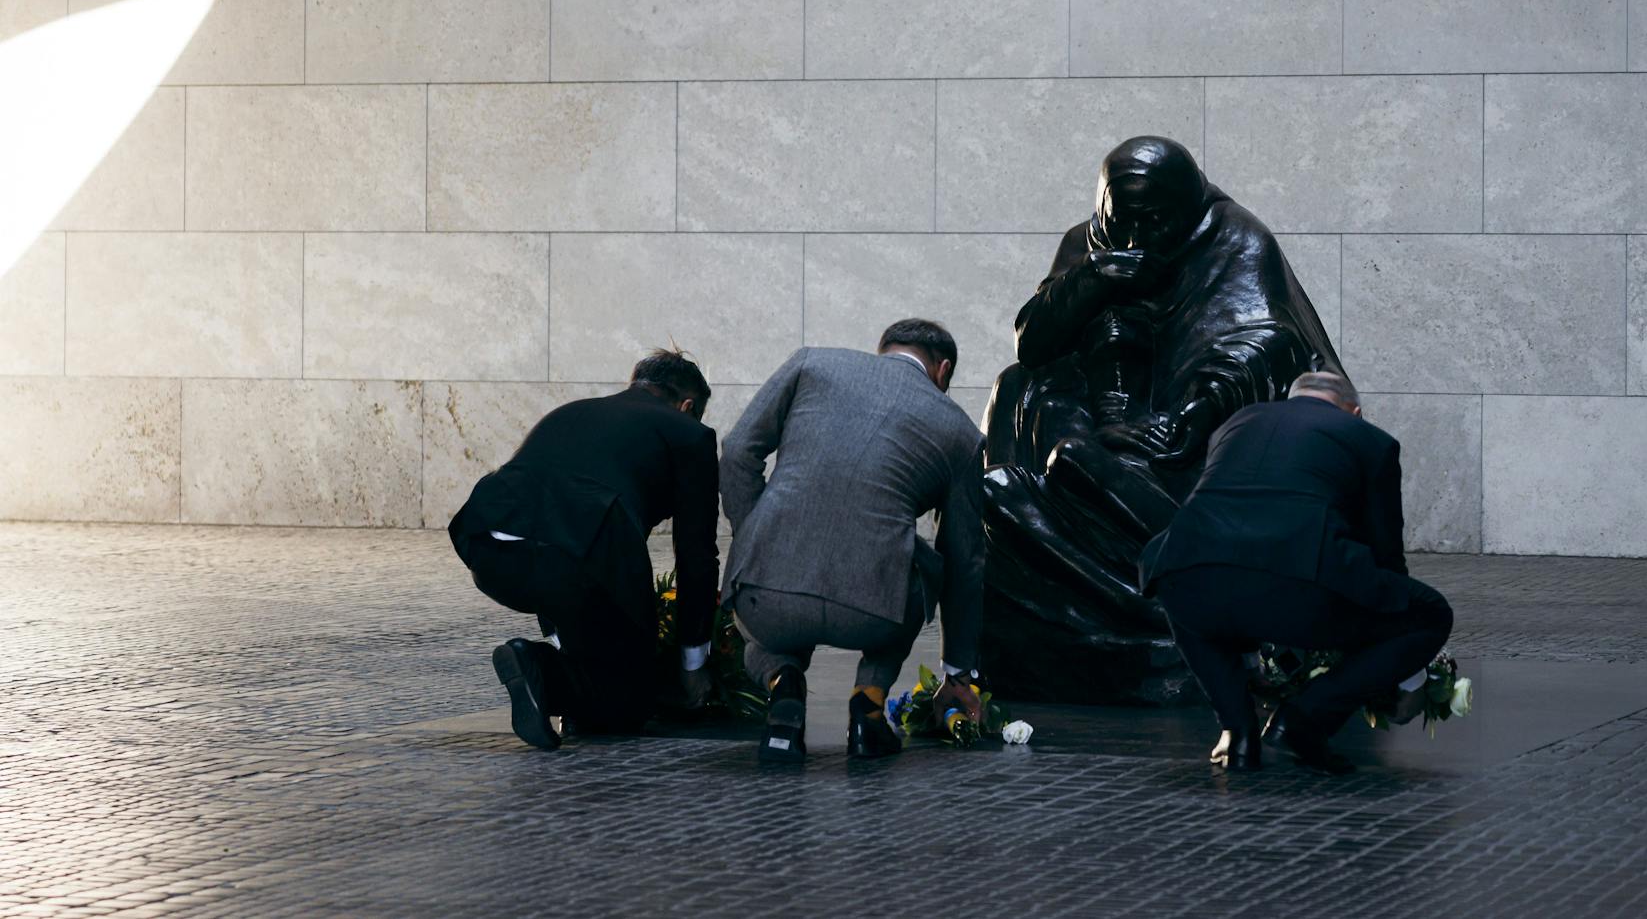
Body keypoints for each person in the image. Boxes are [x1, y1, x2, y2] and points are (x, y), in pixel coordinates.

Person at [981, 135, 1345, 703]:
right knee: (1020, 389)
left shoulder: (1236, 238)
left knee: (1091, 465)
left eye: (1151, 222)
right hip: (1102, 414)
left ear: (1183, 210)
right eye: (1118, 219)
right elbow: (1036, 343)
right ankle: (1048, 512)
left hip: (1189, 426)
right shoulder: (1088, 243)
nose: (1133, 238)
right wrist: (1093, 277)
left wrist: (1193, 414)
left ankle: (1162, 562)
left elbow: (1267, 339)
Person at [1141, 370, 1453, 774]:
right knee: (1429, 615)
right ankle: (1303, 721)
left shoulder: (1235, 424)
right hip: (1298, 585)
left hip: (1185, 567)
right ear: (1353, 412)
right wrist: (1409, 675)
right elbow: (1386, 559)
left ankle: (1237, 732)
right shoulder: (1371, 440)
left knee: (1192, 597)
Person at [720, 319, 987, 763]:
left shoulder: (813, 363)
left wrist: (755, 539)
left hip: (768, 604)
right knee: (927, 567)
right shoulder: (962, 434)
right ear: (942, 372)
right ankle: (869, 707)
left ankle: (782, 684)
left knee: (765, 627)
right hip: (873, 613)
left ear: (880, 350)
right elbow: (965, 559)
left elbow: (736, 452)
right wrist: (958, 674)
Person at [449, 349, 721, 752]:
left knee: (589, 632)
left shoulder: (569, 413)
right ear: (688, 406)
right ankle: (540, 667)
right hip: (579, 558)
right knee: (628, 705)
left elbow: (552, 521)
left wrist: (563, 637)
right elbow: (697, 556)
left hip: (490, 546)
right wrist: (693, 665)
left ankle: (548, 670)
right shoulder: (689, 434)